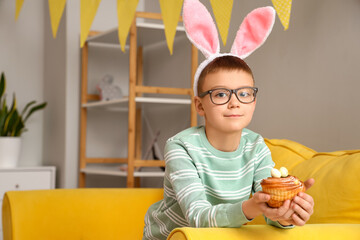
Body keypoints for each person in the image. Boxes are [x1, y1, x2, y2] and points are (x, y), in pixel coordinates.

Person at [143, 1, 314, 240]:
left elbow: (268, 211)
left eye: (244, 93)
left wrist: (286, 214)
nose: (235, 102)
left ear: (253, 101)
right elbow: (198, 217)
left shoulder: (256, 147)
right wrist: (250, 208)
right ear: (199, 105)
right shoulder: (181, 147)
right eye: (221, 94)